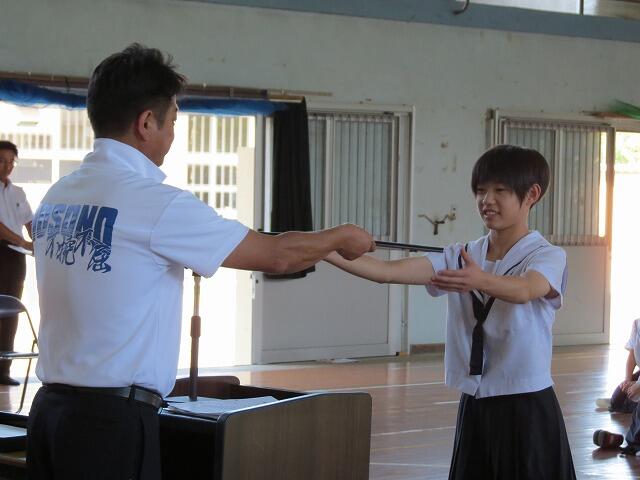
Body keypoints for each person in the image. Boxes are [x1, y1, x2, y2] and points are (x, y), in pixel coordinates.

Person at [26, 43, 375, 480]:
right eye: (173, 121)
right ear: (146, 123)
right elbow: (278, 255)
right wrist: (341, 236)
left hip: (50, 415)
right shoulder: (156, 203)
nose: (173, 135)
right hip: (109, 425)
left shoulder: (58, 195)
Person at [324, 144, 576, 479]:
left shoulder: (547, 255)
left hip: (527, 402)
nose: (487, 200)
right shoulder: (462, 254)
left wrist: (480, 279)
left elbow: (526, 289)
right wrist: (321, 247)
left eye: (500, 190)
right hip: (475, 399)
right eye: (481, 191)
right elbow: (385, 272)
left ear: (531, 194)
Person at [0, 140, 33, 386]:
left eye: (12, 161)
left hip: (15, 258)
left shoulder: (18, 192)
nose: (7, 166)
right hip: (4, 248)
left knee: (11, 312)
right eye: (2, 160)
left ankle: (3, 370)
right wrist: (23, 242)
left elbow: (30, 222)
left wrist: (38, 242)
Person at [593, 317, 640, 453]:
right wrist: (628, 380)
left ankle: (634, 444)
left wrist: (638, 385)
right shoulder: (637, 323)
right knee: (619, 397)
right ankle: (624, 404)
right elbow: (632, 355)